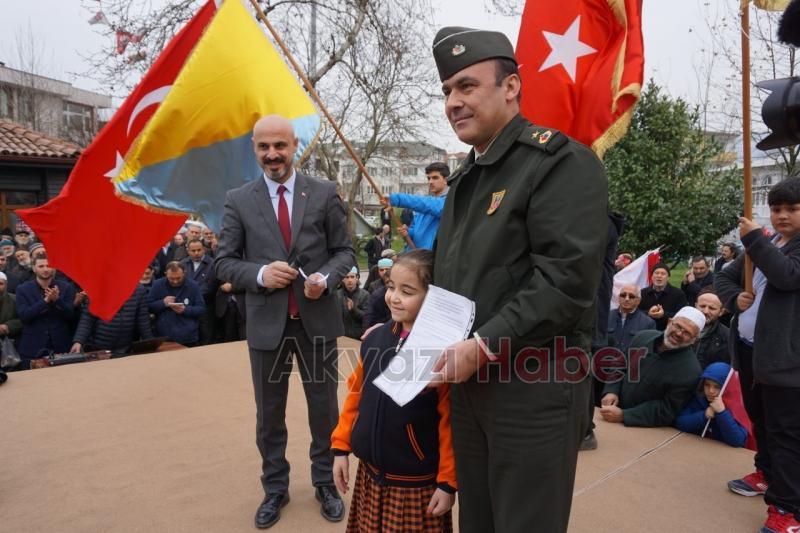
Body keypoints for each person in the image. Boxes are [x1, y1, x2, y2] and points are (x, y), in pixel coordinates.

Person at [426, 27, 608, 533]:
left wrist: (482, 346)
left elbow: (566, 282)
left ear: (511, 87)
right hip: (470, 385)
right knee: (479, 523)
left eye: (467, 86)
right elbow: (459, 272)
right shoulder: (467, 178)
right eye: (446, 91)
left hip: (533, 386)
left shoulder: (560, 163)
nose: (453, 102)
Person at [214, 114, 354, 529]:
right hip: (267, 327)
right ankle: (275, 488)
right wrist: (259, 275)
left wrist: (325, 280)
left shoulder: (325, 192)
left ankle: (326, 482)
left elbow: (344, 251)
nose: (272, 154)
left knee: (324, 411)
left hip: (317, 324)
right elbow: (223, 262)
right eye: (264, 147)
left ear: (295, 146)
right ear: (254, 149)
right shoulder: (238, 199)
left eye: (280, 146)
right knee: (269, 415)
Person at [332, 249, 456, 531]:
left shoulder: (442, 353)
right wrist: (341, 447)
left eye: (407, 291)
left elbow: (451, 422)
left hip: (414, 485)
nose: (394, 297)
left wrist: (448, 482)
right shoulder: (375, 337)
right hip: (369, 475)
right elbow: (355, 396)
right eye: (391, 286)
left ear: (433, 296)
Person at [715, 177, 800, 532]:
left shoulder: (774, 247)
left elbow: (786, 276)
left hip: (786, 360)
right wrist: (736, 299)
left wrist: (752, 238)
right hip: (751, 353)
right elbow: (724, 279)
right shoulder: (768, 243)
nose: (781, 216)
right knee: (761, 423)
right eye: (776, 208)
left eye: (792, 209)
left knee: (787, 433)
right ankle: (766, 473)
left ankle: (788, 508)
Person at [600, 307, 703, 427]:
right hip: (610, 414)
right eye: (678, 326)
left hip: (645, 431)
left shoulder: (691, 371)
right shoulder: (642, 337)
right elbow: (620, 364)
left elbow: (666, 409)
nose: (679, 333)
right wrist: (611, 391)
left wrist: (625, 415)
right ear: (669, 322)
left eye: (687, 333)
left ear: (694, 340)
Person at [16, 255, 75, 367]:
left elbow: (70, 315)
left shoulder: (66, 287)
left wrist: (57, 300)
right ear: (34, 268)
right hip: (32, 347)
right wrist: (46, 301)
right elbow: (24, 316)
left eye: (49, 266)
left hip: (61, 346)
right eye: (41, 266)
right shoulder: (22, 289)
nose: (46, 269)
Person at [675, 362, 748, 447]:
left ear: (726, 387)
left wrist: (722, 413)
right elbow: (680, 423)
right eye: (707, 385)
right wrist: (704, 415)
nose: (710, 391)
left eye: (717, 387)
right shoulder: (700, 399)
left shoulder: (736, 405)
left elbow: (738, 440)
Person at [70, 283, 153, 354]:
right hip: (98, 348)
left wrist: (150, 343)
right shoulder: (97, 288)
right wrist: (78, 341)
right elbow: (87, 319)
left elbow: (143, 320)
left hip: (125, 348)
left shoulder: (139, 290)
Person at [385, 161, 449, 250]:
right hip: (415, 256)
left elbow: (433, 206)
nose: (430, 182)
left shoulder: (449, 201)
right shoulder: (426, 205)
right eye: (429, 178)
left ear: (446, 180)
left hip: (431, 259)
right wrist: (408, 232)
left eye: (435, 178)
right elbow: (417, 232)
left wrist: (397, 199)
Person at [148, 262, 205, 347]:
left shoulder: (193, 286)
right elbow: (148, 306)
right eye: (171, 278)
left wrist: (185, 310)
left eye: (178, 278)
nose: (175, 281)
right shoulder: (157, 285)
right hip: (163, 336)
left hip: (188, 337)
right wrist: (163, 303)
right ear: (165, 274)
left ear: (184, 273)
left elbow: (201, 309)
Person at [181, 239, 217, 345]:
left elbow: (210, 286)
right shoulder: (183, 264)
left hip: (206, 307)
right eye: (193, 250)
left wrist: (192, 296)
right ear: (188, 251)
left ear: (204, 249)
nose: (196, 253)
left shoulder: (213, 264)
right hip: (187, 307)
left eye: (199, 250)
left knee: (206, 337)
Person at [608, 284, 656, 355]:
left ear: (638, 301)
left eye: (631, 296)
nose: (627, 299)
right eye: (623, 295)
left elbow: (647, 352)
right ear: (619, 298)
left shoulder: (648, 323)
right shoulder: (606, 317)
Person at [639, 262, 687, 330]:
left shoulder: (678, 294)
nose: (659, 276)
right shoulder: (642, 293)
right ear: (652, 277)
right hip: (645, 330)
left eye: (663, 274)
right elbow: (635, 311)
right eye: (656, 273)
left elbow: (682, 315)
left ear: (668, 278)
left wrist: (663, 315)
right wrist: (648, 313)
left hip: (668, 331)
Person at [693, 290, 729, 369]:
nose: (706, 311)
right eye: (702, 306)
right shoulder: (680, 327)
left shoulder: (727, 337)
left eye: (712, 308)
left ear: (721, 312)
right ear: (696, 306)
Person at [336, 266, 369, 340]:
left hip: (358, 337)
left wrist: (353, 310)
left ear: (357, 278)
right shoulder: (337, 295)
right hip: (342, 337)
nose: (349, 280)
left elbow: (367, 317)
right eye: (347, 277)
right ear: (343, 279)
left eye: (352, 277)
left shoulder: (365, 295)